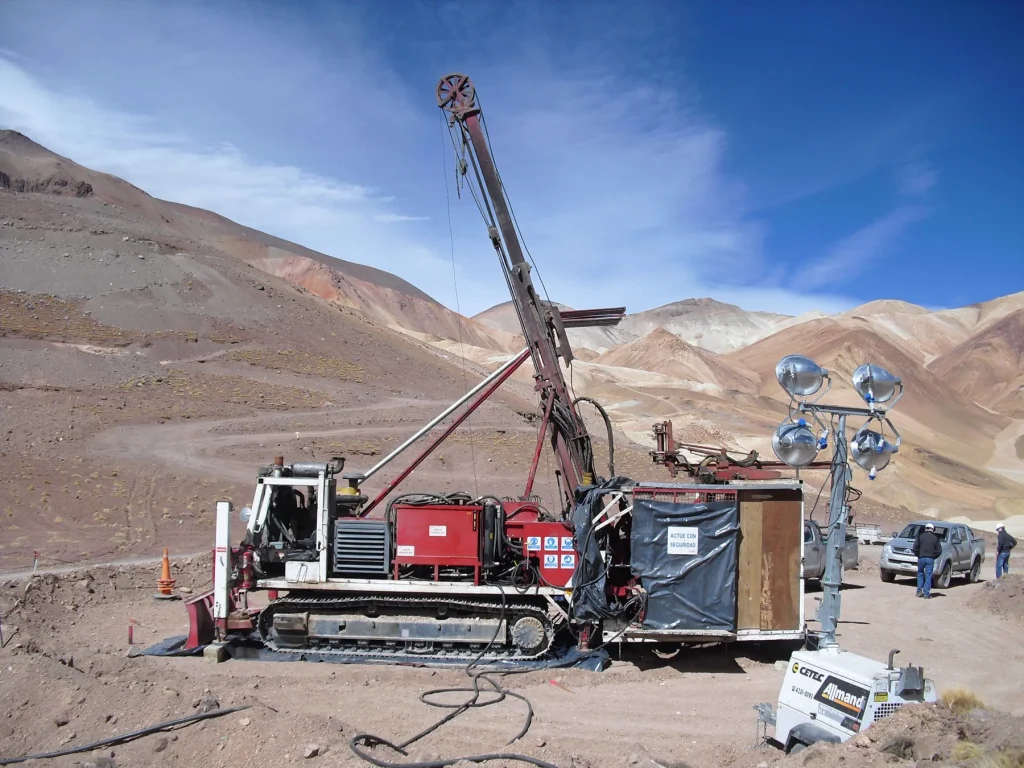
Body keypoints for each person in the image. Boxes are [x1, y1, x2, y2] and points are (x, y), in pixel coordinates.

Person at [913, 522, 942, 598]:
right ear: (932, 529)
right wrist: (934, 556)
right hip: (930, 559)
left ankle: (919, 591)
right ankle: (926, 594)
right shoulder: (935, 538)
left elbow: (915, 547)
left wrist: (918, 555)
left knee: (920, 574)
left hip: (921, 558)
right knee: (928, 576)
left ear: (925, 529)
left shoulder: (920, 536)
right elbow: (939, 550)